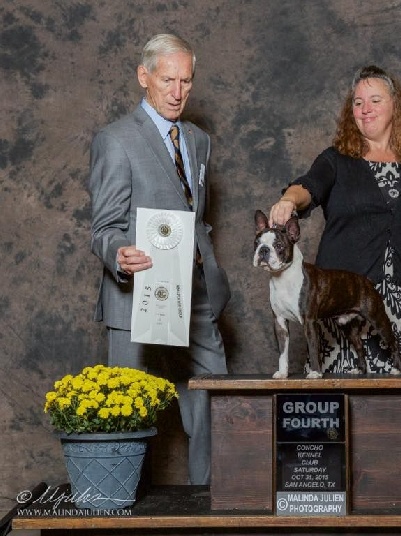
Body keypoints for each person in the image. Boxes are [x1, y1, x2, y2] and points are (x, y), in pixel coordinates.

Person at [268, 65, 401, 446]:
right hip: (343, 299)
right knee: (343, 412)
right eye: (357, 102)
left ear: (395, 107)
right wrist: (288, 200)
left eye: (375, 100)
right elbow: (307, 187)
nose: (365, 109)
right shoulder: (335, 160)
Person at [89, 33, 230, 484]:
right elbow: (104, 228)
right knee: (126, 414)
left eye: (186, 81)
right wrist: (118, 254)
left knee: (213, 402)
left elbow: (197, 215)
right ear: (143, 77)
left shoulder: (198, 140)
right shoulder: (115, 140)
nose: (177, 92)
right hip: (136, 297)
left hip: (197, 297)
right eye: (168, 79)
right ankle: (118, 505)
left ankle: (211, 504)